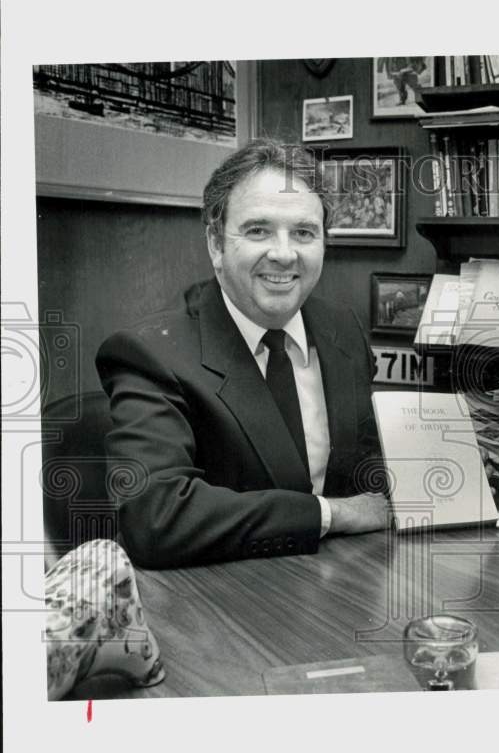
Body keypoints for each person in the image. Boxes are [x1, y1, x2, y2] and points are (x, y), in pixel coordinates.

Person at [97, 139, 389, 569]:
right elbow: (154, 517)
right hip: (218, 603)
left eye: (304, 233)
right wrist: (333, 515)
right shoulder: (150, 353)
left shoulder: (341, 328)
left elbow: (367, 467)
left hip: (333, 588)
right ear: (216, 244)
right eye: (258, 230)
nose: (284, 253)